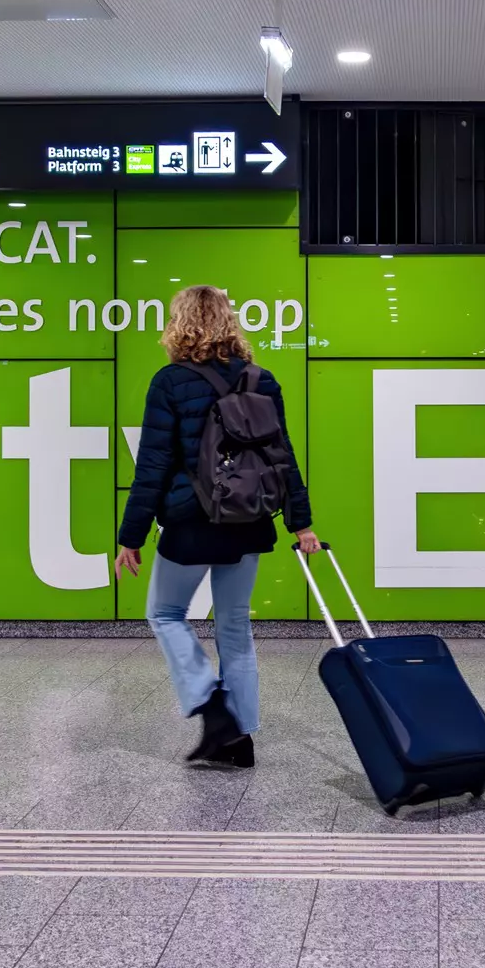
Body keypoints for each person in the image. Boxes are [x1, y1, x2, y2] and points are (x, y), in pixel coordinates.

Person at [115, 285, 319, 768]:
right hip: (249, 518)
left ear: (179, 324)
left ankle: (210, 703)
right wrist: (301, 524)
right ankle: (240, 739)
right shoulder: (260, 380)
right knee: (235, 626)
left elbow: (154, 465)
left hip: (193, 521)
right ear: (229, 322)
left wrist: (131, 537)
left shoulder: (170, 382)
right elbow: (282, 457)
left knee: (165, 612)